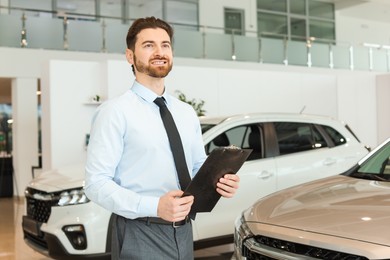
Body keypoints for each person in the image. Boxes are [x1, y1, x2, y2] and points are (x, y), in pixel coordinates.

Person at [85, 16, 240, 260]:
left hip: (184, 231)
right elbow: (96, 184)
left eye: (165, 45)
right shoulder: (114, 112)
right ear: (129, 56)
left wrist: (220, 182)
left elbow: (198, 166)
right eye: (148, 45)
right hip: (139, 230)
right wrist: (154, 206)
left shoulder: (185, 112)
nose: (159, 51)